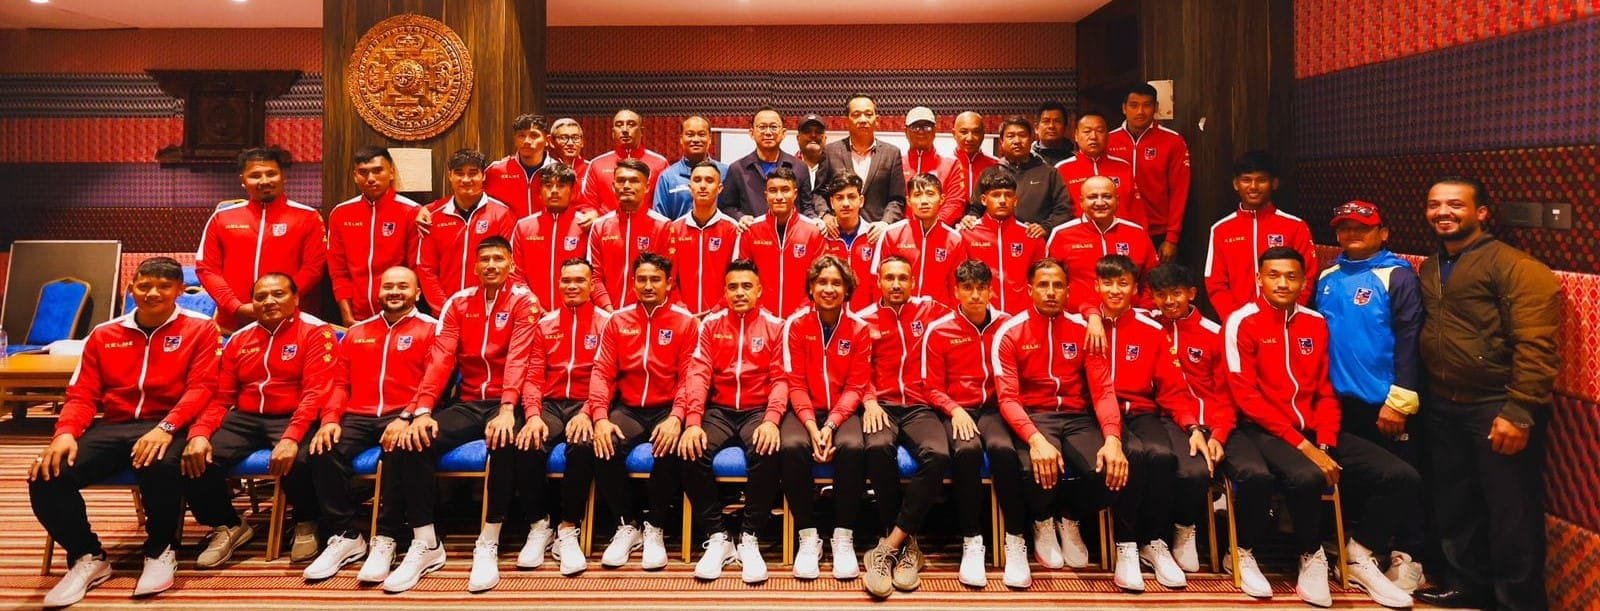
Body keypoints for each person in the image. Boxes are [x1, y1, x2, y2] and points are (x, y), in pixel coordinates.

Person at [1222, 247, 1419, 608]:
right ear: (1259, 279)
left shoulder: (1315, 323)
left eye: (1291, 276)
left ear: (1303, 281)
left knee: (1401, 476)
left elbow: (1326, 392)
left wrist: (1325, 443)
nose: (1283, 283)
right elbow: (1246, 398)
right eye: (1274, 275)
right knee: (1307, 477)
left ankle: (1358, 553)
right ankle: (1309, 554)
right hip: (1263, 429)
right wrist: (1307, 449)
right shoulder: (1242, 321)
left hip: (1315, 430)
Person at [30, 257, 221, 607]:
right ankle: (87, 555)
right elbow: (82, 394)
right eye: (144, 285)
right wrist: (65, 433)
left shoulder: (201, 328)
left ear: (180, 290)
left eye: (164, 286)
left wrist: (166, 427)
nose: (153, 293)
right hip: (114, 424)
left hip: (169, 422)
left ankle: (160, 549)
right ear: (131, 288)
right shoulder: (104, 333)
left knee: (159, 463)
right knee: (46, 474)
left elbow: (202, 387)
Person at [1414, 178, 1560, 611]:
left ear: (1481, 213)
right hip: (1444, 402)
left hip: (1497, 404)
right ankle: (1466, 586)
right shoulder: (1430, 266)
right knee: (1456, 504)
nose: (1443, 212)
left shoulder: (1516, 267)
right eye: (1435, 204)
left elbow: (1536, 344)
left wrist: (1519, 410)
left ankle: (1518, 602)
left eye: (1455, 204)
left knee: (1511, 512)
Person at [379, 237, 541, 594]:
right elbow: (441, 359)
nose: (492, 265)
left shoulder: (525, 301)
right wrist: (422, 411)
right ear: (475, 266)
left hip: (507, 399)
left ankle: (489, 538)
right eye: (485, 259)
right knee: (413, 441)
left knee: (504, 439)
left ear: (511, 264)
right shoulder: (458, 302)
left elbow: (519, 357)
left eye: (499, 258)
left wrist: (508, 408)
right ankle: (426, 542)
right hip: (469, 401)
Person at [181, 273, 336, 567]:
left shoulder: (316, 331)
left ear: (296, 298)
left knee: (302, 459)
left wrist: (291, 437)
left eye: (278, 294)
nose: (269, 301)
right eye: (261, 296)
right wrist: (200, 433)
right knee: (193, 458)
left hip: (296, 413)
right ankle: (228, 524)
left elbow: (316, 392)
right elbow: (221, 397)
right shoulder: (239, 338)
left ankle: (306, 520)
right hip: (246, 416)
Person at [1313, 200, 1428, 593]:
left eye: (1362, 228)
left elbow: (1411, 340)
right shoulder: (1328, 275)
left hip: (1386, 402)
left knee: (1403, 480)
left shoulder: (1397, 275)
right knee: (1361, 482)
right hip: (1340, 403)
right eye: (1344, 228)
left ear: (1383, 232)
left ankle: (1407, 557)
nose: (1352, 234)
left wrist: (1400, 400)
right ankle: (1361, 551)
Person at [991, 258, 1127, 583]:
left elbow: (1103, 390)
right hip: (1035, 416)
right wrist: (1035, 439)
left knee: (1113, 471)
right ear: (1029, 290)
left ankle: (1069, 515)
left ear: (1068, 291)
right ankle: (1041, 520)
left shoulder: (1084, 330)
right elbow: (1007, 398)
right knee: (1034, 469)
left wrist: (1113, 438)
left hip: (1077, 416)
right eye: (1043, 285)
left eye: (1057, 285)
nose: (1051, 292)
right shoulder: (1009, 332)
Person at [302, 266, 437, 584]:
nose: (395, 292)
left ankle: (386, 537)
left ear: (417, 293)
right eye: (388, 286)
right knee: (321, 449)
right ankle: (346, 535)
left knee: (401, 448)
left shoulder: (431, 329)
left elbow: (434, 382)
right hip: (358, 415)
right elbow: (339, 383)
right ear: (378, 292)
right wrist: (330, 420)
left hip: (403, 413)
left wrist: (408, 416)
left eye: (403, 286)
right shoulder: (357, 332)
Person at [1090, 255, 1208, 590]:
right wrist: (1091, 314)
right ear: (1097, 286)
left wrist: (1192, 426)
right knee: (1135, 457)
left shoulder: (1152, 330)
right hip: (1096, 413)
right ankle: (1125, 545)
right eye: (1108, 283)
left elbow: (1172, 388)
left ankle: (1153, 541)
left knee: (1163, 455)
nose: (1115, 290)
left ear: (1135, 289)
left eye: (1123, 283)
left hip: (1141, 411)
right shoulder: (1085, 324)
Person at [581, 252, 699, 571]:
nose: (648, 286)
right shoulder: (617, 321)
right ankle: (627, 524)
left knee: (671, 445)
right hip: (629, 408)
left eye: (655, 279)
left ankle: (655, 526)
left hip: (668, 407)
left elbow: (690, 377)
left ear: (669, 283)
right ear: (633, 283)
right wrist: (600, 418)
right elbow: (602, 372)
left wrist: (677, 418)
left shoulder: (685, 321)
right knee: (601, 443)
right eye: (642, 279)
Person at [678, 259, 788, 583]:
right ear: (724, 292)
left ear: (759, 290)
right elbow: (698, 374)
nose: (740, 293)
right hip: (720, 409)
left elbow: (781, 378)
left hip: (758, 410)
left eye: (746, 286)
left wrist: (772, 419)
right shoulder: (710, 326)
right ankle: (718, 537)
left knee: (769, 448)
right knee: (690, 449)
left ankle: (749, 536)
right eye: (733, 287)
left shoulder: (776, 326)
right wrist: (693, 421)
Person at [918, 260, 1024, 588]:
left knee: (1004, 451)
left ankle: (1015, 539)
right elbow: (931, 386)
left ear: (991, 290)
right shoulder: (939, 329)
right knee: (967, 451)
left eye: (981, 288)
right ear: (957, 292)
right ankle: (972, 540)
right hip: (956, 410)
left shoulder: (1007, 326)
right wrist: (954, 410)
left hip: (994, 409)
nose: (975, 295)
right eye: (968, 288)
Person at [855, 255, 953, 598]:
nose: (896, 284)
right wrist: (868, 400)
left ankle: (889, 546)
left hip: (920, 404)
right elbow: (857, 369)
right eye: (889, 278)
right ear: (878, 282)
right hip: (880, 404)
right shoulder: (863, 320)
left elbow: (975, 313)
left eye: (902, 278)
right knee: (877, 448)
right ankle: (906, 544)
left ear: (913, 282)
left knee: (937, 454)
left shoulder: (932, 312)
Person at [780, 255, 875, 581]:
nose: (829, 289)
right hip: (805, 409)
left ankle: (843, 535)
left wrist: (832, 424)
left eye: (836, 283)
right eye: (822, 282)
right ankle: (808, 536)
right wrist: (812, 427)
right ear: (811, 287)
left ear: (847, 290)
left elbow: (857, 385)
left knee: (853, 447)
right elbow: (795, 384)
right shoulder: (795, 325)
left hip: (843, 410)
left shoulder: (860, 328)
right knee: (791, 446)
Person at [527, 258, 614, 577]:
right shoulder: (544, 324)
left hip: (587, 402)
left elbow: (610, 375)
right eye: (566, 280)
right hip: (550, 404)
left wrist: (589, 411)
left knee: (582, 446)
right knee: (527, 442)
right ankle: (539, 525)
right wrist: (533, 415)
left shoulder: (608, 323)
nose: (572, 286)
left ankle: (568, 527)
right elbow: (533, 375)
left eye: (579, 280)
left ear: (592, 285)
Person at [1146, 262, 1232, 574]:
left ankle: (1185, 527)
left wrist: (1218, 434)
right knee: (1165, 463)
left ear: (1192, 293)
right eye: (1161, 295)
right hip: (1165, 416)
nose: (1169, 301)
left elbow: (1227, 393)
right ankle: (1159, 535)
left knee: (1196, 472)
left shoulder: (1215, 333)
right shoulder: (1149, 326)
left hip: (1210, 419)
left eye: (1176, 293)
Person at [196, 147, 327, 333]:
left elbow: (313, 268)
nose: (264, 181)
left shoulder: (308, 217)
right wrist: (235, 306)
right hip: (232, 323)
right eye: (255, 175)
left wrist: (279, 303)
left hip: (290, 324)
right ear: (243, 180)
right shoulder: (222, 217)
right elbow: (207, 269)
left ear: (283, 176)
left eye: (271, 174)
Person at [1203, 151, 1316, 320]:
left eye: (1261, 180)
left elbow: (1307, 276)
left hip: (1286, 320)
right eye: (1246, 180)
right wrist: (1236, 319)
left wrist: (1289, 314)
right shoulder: (1221, 229)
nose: (1253, 187)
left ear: (1274, 183)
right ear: (1236, 184)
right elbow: (1215, 283)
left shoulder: (1295, 226)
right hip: (1239, 323)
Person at [327, 146, 423, 326]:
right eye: (363, 172)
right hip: (356, 316)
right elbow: (338, 271)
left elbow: (415, 270)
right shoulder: (340, 213)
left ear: (391, 172)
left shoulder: (411, 211)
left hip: (399, 316)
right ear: (355, 176)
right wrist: (347, 316)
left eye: (378, 171)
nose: (371, 178)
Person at [415, 148, 518, 310]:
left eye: (472, 173)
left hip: (490, 310)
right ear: (450, 175)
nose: (466, 179)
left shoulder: (502, 214)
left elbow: (509, 265)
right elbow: (426, 268)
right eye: (459, 173)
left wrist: (493, 306)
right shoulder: (432, 216)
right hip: (445, 310)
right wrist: (445, 309)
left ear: (483, 175)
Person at [1046, 176, 1157, 315]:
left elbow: (1151, 279)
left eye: (1107, 196)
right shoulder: (1061, 234)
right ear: (1081, 202)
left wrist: (1144, 310)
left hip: (1128, 318)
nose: (1100, 202)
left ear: (1117, 200)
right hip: (1078, 319)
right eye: (1092, 197)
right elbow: (1049, 281)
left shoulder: (1137, 233)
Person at [1108, 83, 1192, 262]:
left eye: (1147, 105)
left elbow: (1180, 191)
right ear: (1124, 108)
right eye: (1134, 105)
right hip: (1117, 228)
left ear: (1156, 108)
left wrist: (1172, 237)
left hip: (1159, 232)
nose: (1140, 111)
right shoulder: (1108, 141)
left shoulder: (1172, 141)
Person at [733, 167, 827, 318]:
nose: (779, 196)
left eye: (785, 190)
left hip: (802, 318)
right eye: (773, 190)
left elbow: (819, 279)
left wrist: (800, 313)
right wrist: (763, 314)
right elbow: (742, 277)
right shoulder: (751, 230)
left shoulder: (813, 231)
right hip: (760, 318)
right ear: (766, 195)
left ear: (795, 194)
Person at [961, 116, 1072, 231]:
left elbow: (1064, 210)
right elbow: (976, 209)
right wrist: (970, 218)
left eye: (1022, 135)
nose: (1017, 141)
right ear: (1002, 141)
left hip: (1035, 238)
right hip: (995, 238)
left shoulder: (1049, 173)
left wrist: (1046, 227)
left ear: (1031, 139)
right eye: (1010, 136)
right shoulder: (989, 173)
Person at [586, 159, 670, 310]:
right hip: (608, 314)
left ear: (647, 187)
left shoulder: (663, 226)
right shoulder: (599, 226)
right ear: (613, 186)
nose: (626, 186)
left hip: (647, 314)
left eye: (634, 181)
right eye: (621, 181)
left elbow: (667, 277)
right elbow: (594, 276)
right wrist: (609, 310)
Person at [873, 174, 967, 308]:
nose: (924, 201)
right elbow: (878, 281)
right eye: (917, 195)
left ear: (942, 199)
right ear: (908, 201)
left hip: (939, 315)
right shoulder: (891, 234)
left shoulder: (955, 239)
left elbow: (957, 285)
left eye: (930, 194)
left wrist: (952, 317)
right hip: (899, 314)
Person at [663, 160, 741, 315]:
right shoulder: (674, 229)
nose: (703, 186)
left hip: (720, 316)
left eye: (709, 180)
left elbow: (736, 279)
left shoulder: (733, 230)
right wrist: (683, 311)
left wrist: (714, 312)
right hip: (682, 317)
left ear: (720, 188)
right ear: (690, 187)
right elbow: (669, 278)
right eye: (697, 180)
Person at [961, 171, 1044, 314]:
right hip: (982, 317)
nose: (1003, 200)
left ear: (1015, 200)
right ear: (984, 200)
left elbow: (1041, 281)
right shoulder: (966, 234)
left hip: (1022, 317)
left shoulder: (1031, 236)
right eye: (996, 195)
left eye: (1008, 195)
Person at [510, 163, 591, 310]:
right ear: (540, 192)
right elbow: (516, 275)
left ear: (573, 192)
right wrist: (535, 306)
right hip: (532, 312)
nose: (554, 191)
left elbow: (593, 276)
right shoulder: (523, 227)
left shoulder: (586, 226)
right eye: (548, 185)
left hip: (574, 313)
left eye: (561, 186)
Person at [820, 94, 905, 228]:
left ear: (877, 119)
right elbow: (818, 193)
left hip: (876, 231)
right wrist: (825, 215)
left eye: (868, 114)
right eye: (856, 114)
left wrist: (885, 223)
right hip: (839, 231)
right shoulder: (830, 151)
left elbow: (897, 199)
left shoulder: (892, 153)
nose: (863, 119)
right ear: (846, 120)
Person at [721, 107, 816, 223]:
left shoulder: (799, 167)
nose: (768, 132)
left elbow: (807, 207)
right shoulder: (737, 169)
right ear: (751, 133)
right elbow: (727, 207)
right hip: (752, 232)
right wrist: (740, 217)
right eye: (762, 127)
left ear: (783, 133)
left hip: (790, 233)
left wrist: (815, 220)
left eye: (773, 127)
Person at [1054, 111, 1140, 228]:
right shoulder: (1061, 169)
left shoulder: (1124, 167)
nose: (1093, 137)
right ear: (1076, 136)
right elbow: (1058, 212)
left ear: (1107, 136)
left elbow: (1137, 210)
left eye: (1099, 131)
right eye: (1087, 131)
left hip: (1120, 234)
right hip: (1079, 235)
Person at [580, 109, 671, 214]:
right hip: (608, 223)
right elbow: (587, 203)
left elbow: (666, 203)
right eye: (619, 125)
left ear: (641, 131)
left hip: (647, 223)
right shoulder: (597, 164)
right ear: (613, 132)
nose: (624, 130)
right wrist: (592, 213)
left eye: (631, 124)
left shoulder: (660, 163)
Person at [819, 173, 883, 311]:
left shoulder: (875, 236)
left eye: (851, 197)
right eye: (840, 198)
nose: (846, 203)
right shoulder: (822, 237)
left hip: (867, 317)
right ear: (832, 203)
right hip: (832, 317)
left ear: (861, 201)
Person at [653, 116, 727, 220]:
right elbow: (660, 220)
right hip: (678, 231)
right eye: (690, 134)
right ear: (681, 139)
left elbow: (732, 210)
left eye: (701, 134)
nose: (696, 139)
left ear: (710, 139)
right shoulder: (668, 177)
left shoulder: (726, 173)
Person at [486, 113, 556, 220]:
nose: (527, 141)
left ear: (547, 140)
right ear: (515, 139)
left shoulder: (560, 171)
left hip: (548, 230)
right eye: (521, 135)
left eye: (534, 135)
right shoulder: (496, 171)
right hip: (508, 230)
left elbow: (578, 206)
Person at [900, 106, 963, 224]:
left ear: (935, 131)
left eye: (927, 127)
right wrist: (905, 229)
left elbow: (955, 204)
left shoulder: (951, 165)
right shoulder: (896, 163)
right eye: (915, 127)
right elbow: (892, 202)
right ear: (906, 131)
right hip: (902, 232)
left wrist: (930, 227)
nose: (921, 131)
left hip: (940, 230)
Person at [946, 111, 999, 225]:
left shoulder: (996, 165)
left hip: (985, 228)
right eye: (964, 132)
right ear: (954, 133)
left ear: (983, 134)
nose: (969, 138)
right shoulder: (944, 164)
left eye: (976, 132)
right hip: (948, 227)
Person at [550, 118, 596, 216]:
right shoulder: (545, 170)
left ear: (582, 142)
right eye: (563, 138)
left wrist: (595, 213)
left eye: (575, 138)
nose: (570, 143)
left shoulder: (592, 169)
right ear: (551, 142)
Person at [794, 113, 832, 216]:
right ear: (798, 138)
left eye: (818, 132)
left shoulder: (835, 166)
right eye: (807, 131)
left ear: (825, 138)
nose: (813, 135)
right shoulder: (788, 167)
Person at [1031, 100, 1075, 166]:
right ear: (1036, 128)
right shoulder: (1028, 158)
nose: (1051, 126)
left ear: (1065, 128)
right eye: (1046, 121)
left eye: (1057, 121)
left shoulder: (1075, 160)